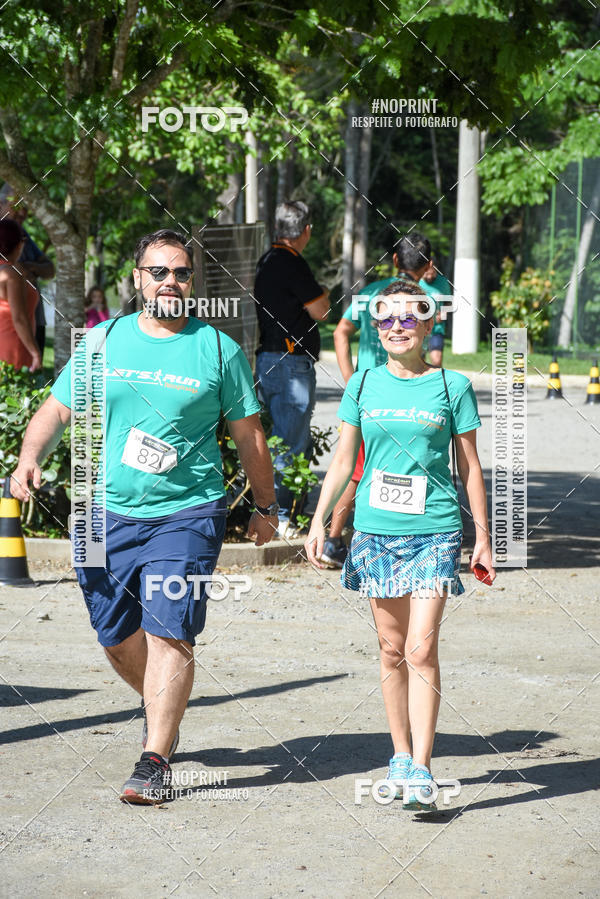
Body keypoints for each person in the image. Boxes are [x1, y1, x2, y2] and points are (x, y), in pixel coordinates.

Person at [11, 228, 280, 804]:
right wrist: (30, 457)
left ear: (192, 282)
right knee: (114, 635)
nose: (169, 282)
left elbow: (249, 436)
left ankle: (154, 758)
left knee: (169, 628)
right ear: (138, 279)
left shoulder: (217, 349)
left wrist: (265, 507)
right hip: (100, 511)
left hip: (187, 511)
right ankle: (161, 705)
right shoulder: (103, 341)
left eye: (180, 273)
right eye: (158, 272)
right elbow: (56, 410)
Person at [305, 278, 494, 811]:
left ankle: (424, 770)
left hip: (435, 531)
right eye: (386, 318)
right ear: (375, 327)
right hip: (375, 532)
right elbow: (345, 460)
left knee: (420, 649)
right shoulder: (363, 384)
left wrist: (483, 535)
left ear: (429, 325)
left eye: (409, 318)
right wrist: (320, 521)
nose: (396, 327)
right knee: (391, 649)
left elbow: (470, 466)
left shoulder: (452, 386)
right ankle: (400, 755)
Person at [322, 234, 432, 568]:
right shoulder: (424, 301)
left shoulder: (371, 293)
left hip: (369, 393)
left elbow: (340, 332)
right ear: (428, 265)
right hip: (411, 395)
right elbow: (434, 349)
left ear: (395, 260)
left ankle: (335, 539)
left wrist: (351, 381)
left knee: (355, 467)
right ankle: (399, 539)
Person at [254, 200, 330, 539]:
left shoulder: (267, 260)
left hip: (268, 359)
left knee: (274, 439)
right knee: (289, 443)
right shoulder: (292, 263)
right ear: (306, 231)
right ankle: (282, 516)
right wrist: (324, 292)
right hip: (290, 363)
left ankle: (274, 510)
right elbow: (321, 310)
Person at [0, 184, 55, 359]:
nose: (23, 212)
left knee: (33, 371)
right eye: (17, 206)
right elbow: (18, 317)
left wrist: (30, 267)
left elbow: (50, 268)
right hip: (10, 328)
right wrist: (17, 271)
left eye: (26, 207)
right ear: (1, 204)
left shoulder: (22, 235)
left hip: (35, 319)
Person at [0, 219, 41, 371]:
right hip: (14, 345)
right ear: (18, 244)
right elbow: (19, 318)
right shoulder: (11, 274)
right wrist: (35, 353)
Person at [419, 257, 452, 368]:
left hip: (437, 328)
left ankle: (437, 379)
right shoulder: (416, 282)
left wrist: (444, 313)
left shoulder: (443, 282)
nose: (429, 276)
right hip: (419, 329)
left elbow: (449, 302)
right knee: (419, 363)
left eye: (432, 273)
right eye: (426, 274)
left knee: (437, 361)